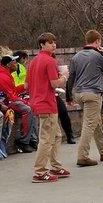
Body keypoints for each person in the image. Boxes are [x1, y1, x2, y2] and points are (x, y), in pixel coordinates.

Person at [66, 30, 103, 167]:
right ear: (97, 41)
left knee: (95, 121)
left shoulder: (76, 57)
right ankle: (82, 156)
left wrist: (69, 95)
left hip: (79, 93)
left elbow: (71, 78)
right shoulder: (97, 55)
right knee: (89, 124)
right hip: (93, 94)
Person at [26, 32, 70, 183]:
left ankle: (55, 166)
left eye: (54, 42)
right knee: (46, 138)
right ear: (42, 44)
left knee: (56, 135)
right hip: (47, 103)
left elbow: (26, 84)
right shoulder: (49, 61)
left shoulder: (33, 61)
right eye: (51, 43)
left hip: (37, 102)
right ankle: (39, 171)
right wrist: (64, 76)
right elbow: (54, 83)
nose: (54, 45)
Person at [0, 55, 37, 153]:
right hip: (4, 102)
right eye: (14, 62)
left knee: (32, 107)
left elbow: (12, 91)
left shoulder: (5, 74)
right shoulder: (2, 76)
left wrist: (24, 86)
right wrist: (24, 101)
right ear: (8, 64)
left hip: (7, 100)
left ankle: (32, 140)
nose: (17, 64)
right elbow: (10, 97)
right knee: (28, 109)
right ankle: (24, 141)